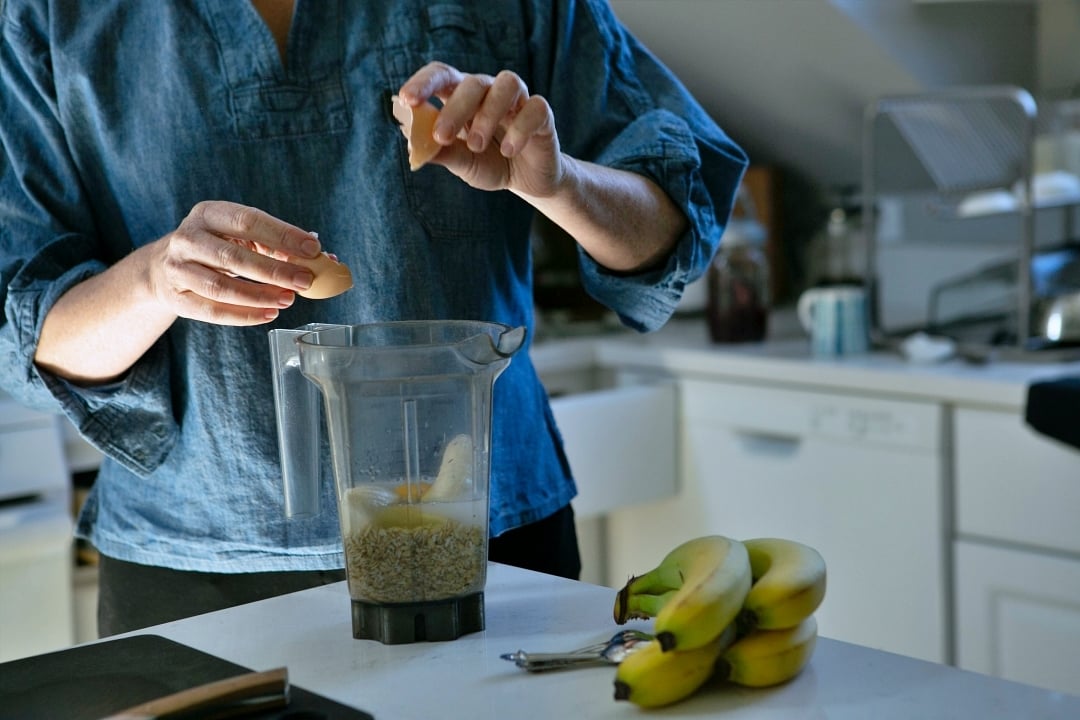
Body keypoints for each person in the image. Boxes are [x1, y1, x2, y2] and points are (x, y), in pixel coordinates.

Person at [0, 0, 747, 636]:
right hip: (193, 572)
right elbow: (27, 329)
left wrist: (559, 183)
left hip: (491, 553)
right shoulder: (45, 16)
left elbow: (676, 221)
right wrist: (151, 280)